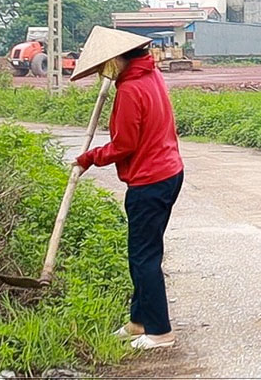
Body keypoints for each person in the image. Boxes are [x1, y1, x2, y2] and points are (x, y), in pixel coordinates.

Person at [73, 26, 184, 351]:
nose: (104, 72)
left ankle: (160, 331)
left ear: (118, 59)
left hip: (150, 180)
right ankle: (139, 321)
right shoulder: (150, 77)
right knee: (145, 252)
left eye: (106, 64)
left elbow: (123, 145)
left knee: (143, 256)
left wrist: (89, 158)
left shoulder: (131, 90)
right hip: (168, 173)